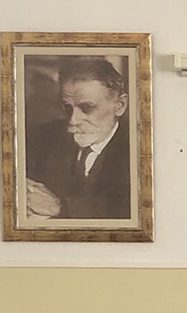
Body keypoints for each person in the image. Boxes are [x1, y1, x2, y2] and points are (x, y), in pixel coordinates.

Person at [25, 56, 131, 219]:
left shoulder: (138, 147)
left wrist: (60, 207)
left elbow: (130, 209)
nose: (73, 120)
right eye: (67, 107)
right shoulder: (41, 137)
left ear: (120, 106)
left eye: (87, 108)